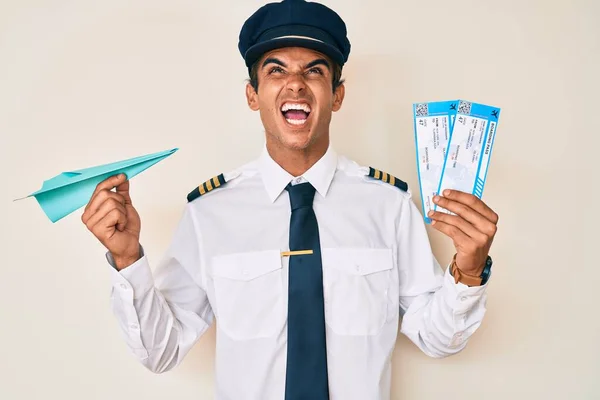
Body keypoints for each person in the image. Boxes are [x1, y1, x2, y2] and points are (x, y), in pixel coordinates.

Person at [81, 1, 499, 399]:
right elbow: (161, 351)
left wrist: (469, 269)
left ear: (337, 96)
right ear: (253, 95)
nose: (295, 83)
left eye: (314, 71)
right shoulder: (208, 213)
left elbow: (438, 338)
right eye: (276, 70)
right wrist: (127, 259)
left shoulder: (388, 205)